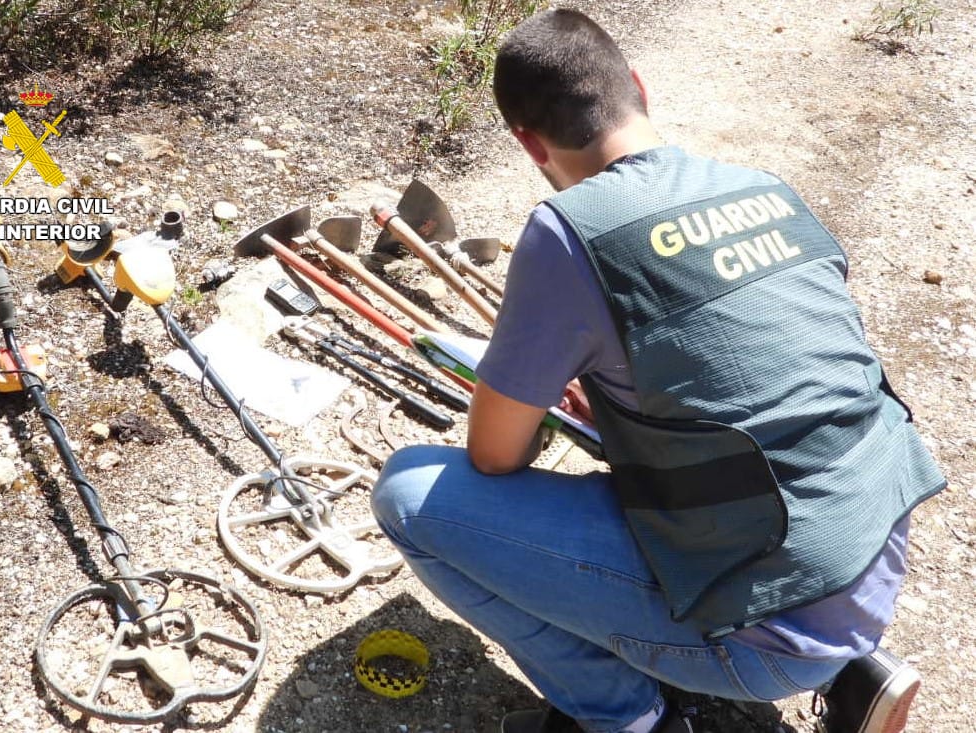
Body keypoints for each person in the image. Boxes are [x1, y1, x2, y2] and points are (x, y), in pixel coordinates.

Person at [371, 8, 945, 733]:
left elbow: (491, 455)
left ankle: (624, 717)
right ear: (637, 86)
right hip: (873, 553)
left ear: (525, 141)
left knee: (408, 493)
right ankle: (852, 661)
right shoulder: (762, 188)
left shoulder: (570, 228)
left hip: (771, 624)